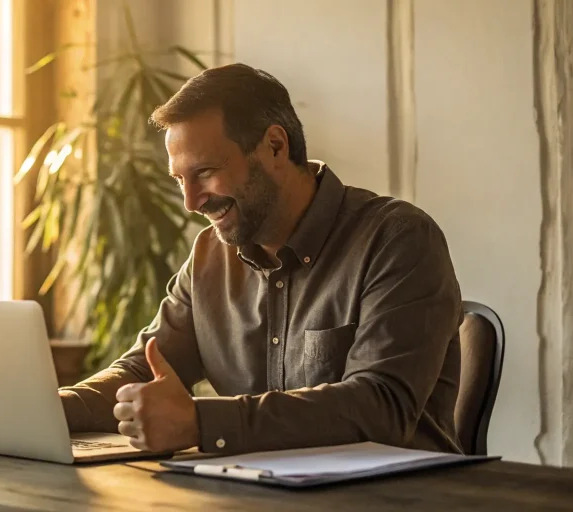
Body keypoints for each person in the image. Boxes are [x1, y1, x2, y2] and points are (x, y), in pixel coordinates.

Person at [57, 63, 463, 456]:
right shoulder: (208, 257)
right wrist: (50, 408)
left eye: (206, 172)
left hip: (399, 497)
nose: (191, 202)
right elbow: (143, 371)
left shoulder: (398, 239)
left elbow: (381, 408)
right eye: (180, 180)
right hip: (258, 494)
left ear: (275, 146)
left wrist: (202, 423)